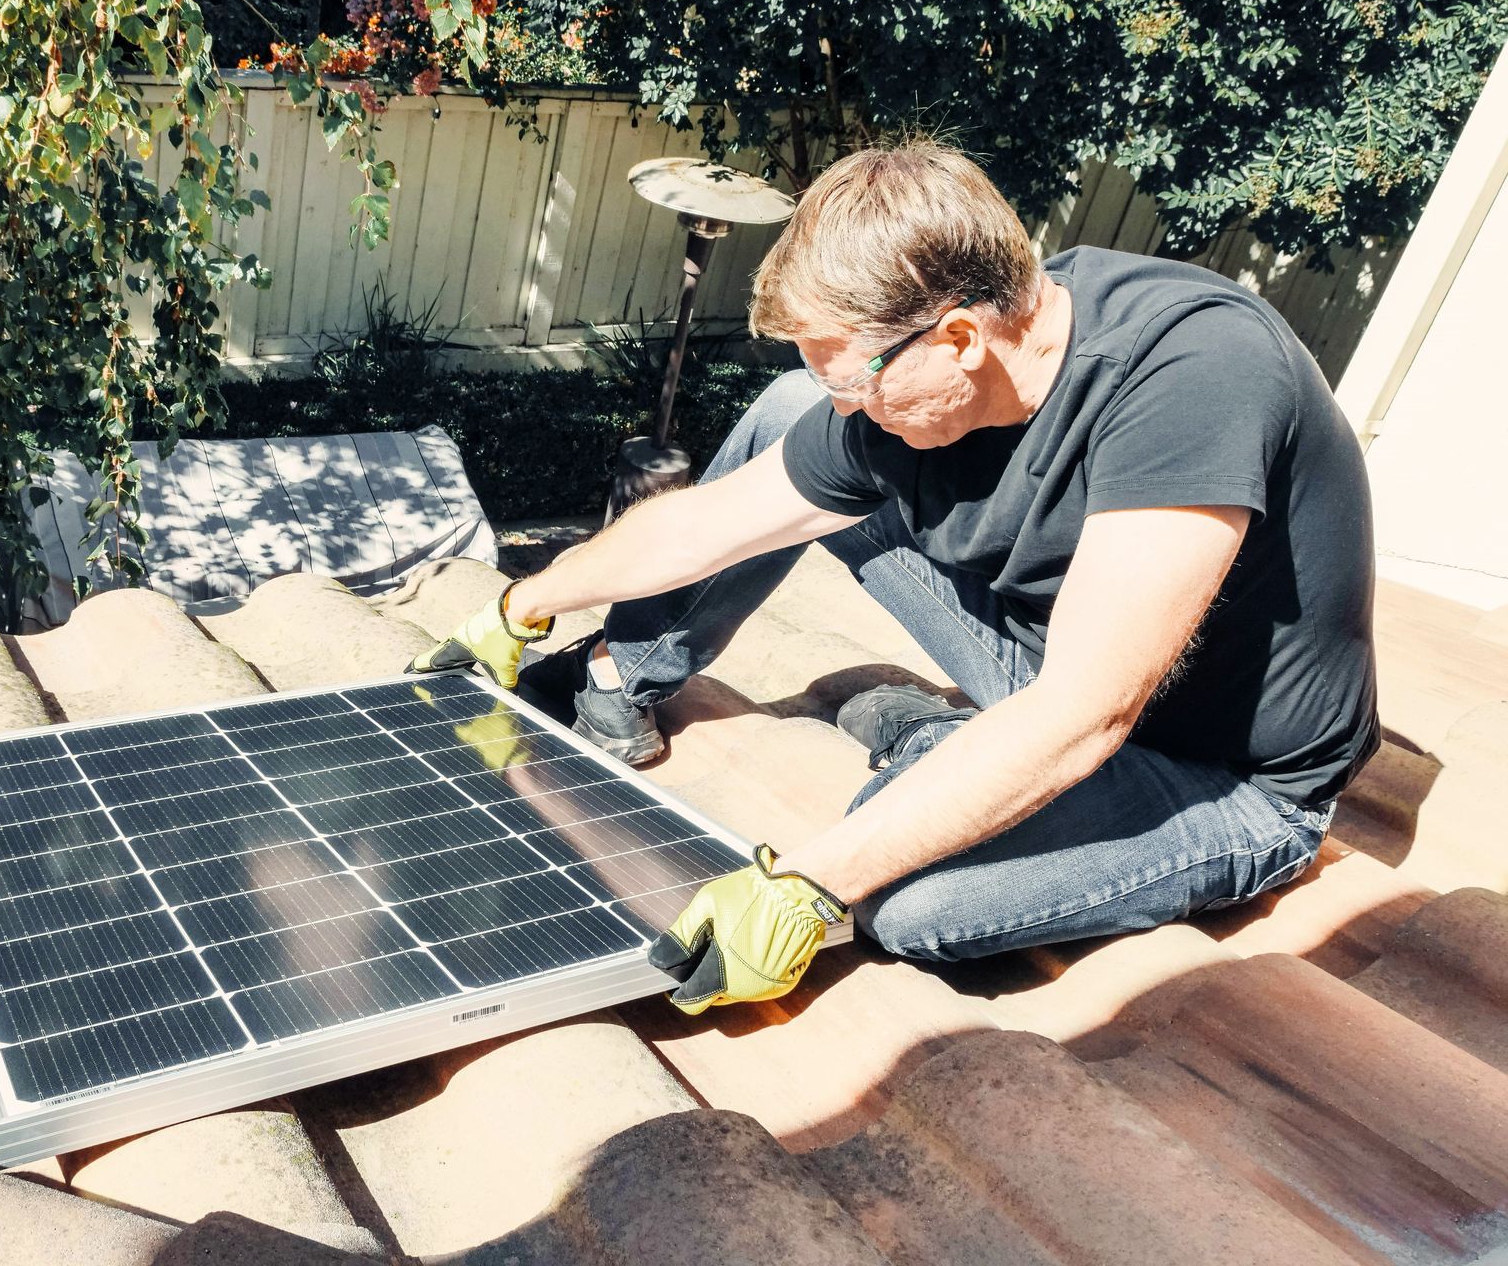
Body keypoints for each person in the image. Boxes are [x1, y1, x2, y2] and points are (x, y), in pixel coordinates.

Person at [410, 139, 1379, 1016]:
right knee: (788, 415)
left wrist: (806, 883)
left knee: (908, 902)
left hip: (1222, 774)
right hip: (1042, 660)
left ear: (958, 337)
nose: (851, 408)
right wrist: (521, 604)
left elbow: (1089, 710)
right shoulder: (898, 395)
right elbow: (707, 523)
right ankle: (619, 686)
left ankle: (947, 749)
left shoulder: (1191, 373)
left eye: (855, 377)